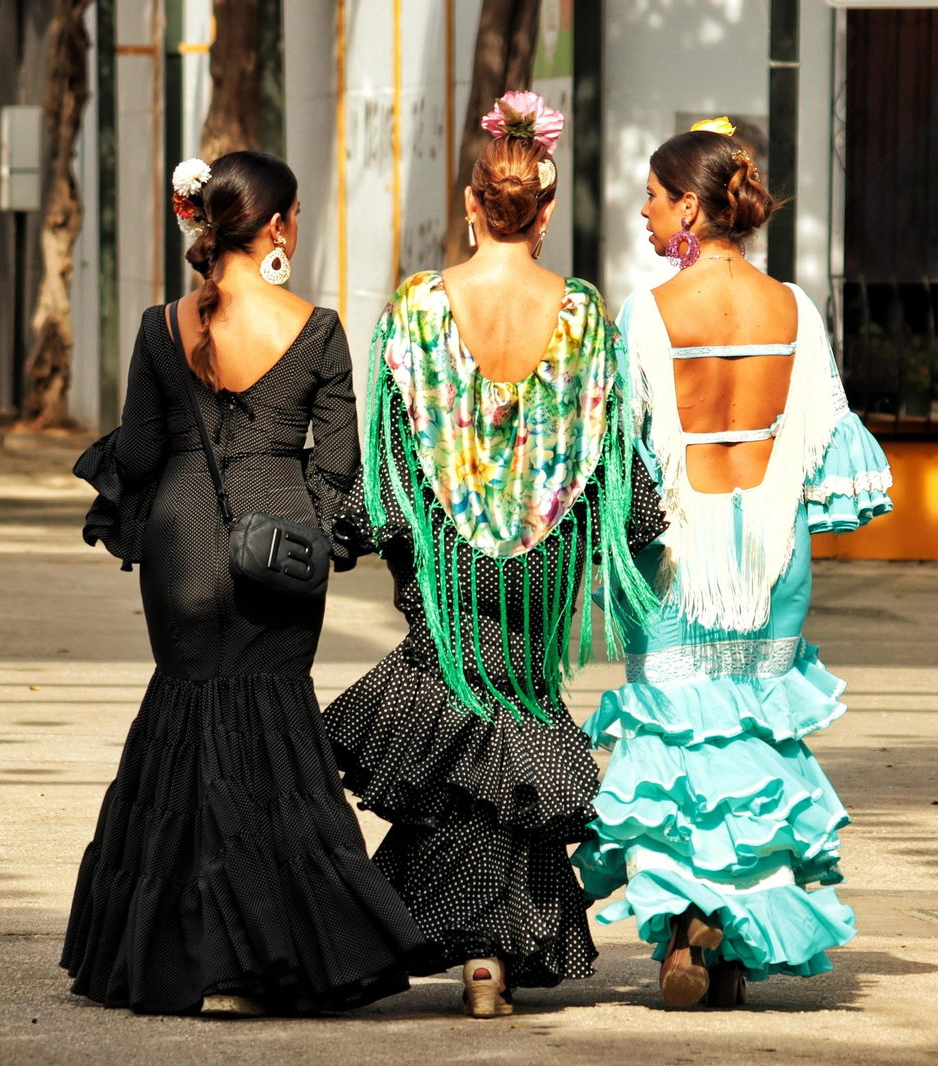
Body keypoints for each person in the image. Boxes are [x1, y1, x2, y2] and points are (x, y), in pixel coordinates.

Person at [323, 92, 666, 1019]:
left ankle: (473, 951)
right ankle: (492, 954)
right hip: (544, 555)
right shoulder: (585, 314)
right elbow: (613, 448)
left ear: (473, 205)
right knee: (514, 720)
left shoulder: (418, 309)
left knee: (461, 724)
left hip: (446, 561)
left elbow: (391, 446)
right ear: (545, 212)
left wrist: (372, 529)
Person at [60, 151, 422, 1016]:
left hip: (181, 541)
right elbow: (338, 468)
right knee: (267, 723)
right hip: (281, 540)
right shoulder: (321, 329)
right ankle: (268, 956)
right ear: (280, 226)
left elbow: (141, 453)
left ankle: (182, 956)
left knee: (187, 715)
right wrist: (311, 516)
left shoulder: (161, 325)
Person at [571, 120, 893, 1008]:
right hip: (773, 557)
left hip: (679, 562)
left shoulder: (645, 313)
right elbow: (827, 438)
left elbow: (617, 448)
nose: (642, 211)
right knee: (753, 741)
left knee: (676, 744)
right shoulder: (796, 308)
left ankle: (683, 927)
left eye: (650, 195)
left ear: (688, 207)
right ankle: (735, 941)